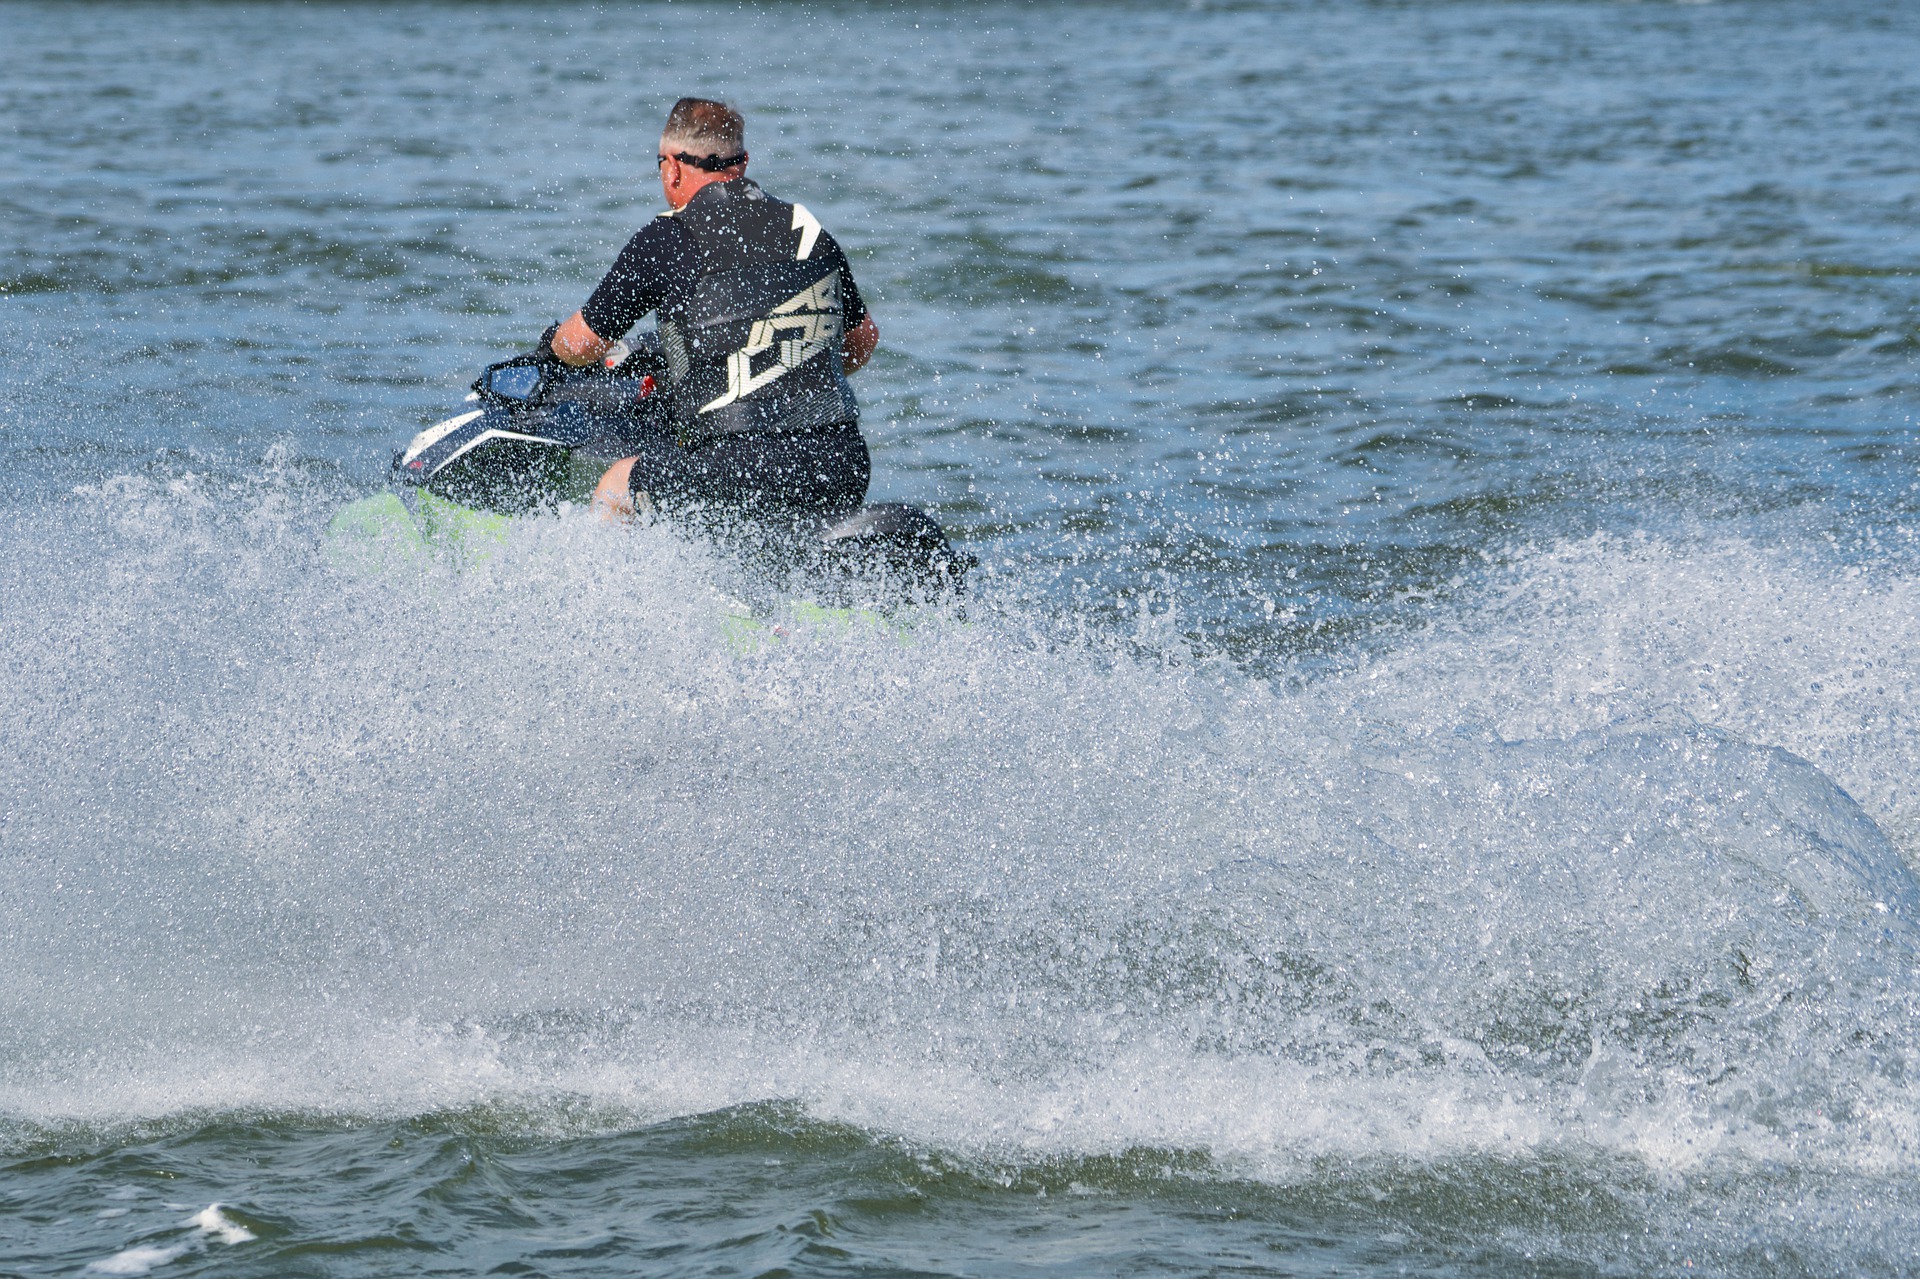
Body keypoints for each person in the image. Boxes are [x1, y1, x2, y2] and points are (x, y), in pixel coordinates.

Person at [542, 97, 881, 530]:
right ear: (742, 163)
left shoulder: (667, 237)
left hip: (741, 468)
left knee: (615, 485)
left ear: (673, 168)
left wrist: (551, 346)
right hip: (843, 464)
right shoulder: (807, 227)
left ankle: (613, 599)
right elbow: (861, 341)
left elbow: (581, 343)